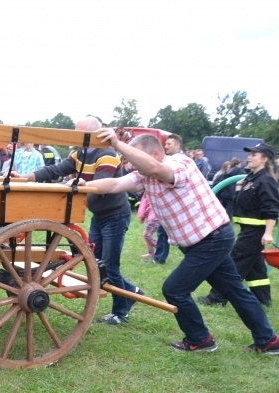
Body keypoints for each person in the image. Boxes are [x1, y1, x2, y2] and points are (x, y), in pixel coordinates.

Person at [81, 129, 279, 354]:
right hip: (206, 240)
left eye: (136, 157)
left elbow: (156, 169)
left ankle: (200, 339)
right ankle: (269, 340)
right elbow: (116, 185)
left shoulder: (180, 164)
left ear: (155, 153)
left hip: (212, 238)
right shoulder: (145, 174)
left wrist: (117, 143)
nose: (133, 164)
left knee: (174, 290)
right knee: (234, 290)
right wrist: (79, 186)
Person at [22, 116, 142, 325]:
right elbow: (56, 169)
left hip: (115, 215)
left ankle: (121, 311)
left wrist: (75, 186)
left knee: (109, 265)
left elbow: (97, 188)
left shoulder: (107, 154)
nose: (77, 137)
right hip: (100, 216)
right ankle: (131, 291)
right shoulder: (79, 153)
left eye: (81, 133)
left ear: (95, 134)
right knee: (95, 262)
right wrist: (28, 177)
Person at [198, 143, 279, 309]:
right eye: (249, 154)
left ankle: (217, 297)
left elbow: (272, 209)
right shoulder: (251, 178)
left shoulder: (266, 180)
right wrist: (240, 188)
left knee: (233, 263)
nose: (249, 157)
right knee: (255, 269)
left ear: (264, 159)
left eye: (254, 155)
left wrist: (268, 233)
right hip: (247, 230)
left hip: (255, 232)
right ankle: (263, 299)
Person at [153, 133, 184, 264]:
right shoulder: (169, 160)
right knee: (164, 233)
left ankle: (160, 257)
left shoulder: (179, 161)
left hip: (177, 207)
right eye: (165, 144)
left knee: (176, 235)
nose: (166, 146)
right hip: (170, 208)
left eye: (169, 144)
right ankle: (159, 257)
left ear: (177, 145)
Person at [138, 192, 160, 263]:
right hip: (150, 216)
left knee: (147, 234)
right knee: (145, 234)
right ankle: (151, 253)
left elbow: (143, 208)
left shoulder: (149, 193)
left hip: (155, 217)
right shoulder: (146, 194)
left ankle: (159, 247)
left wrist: (141, 217)